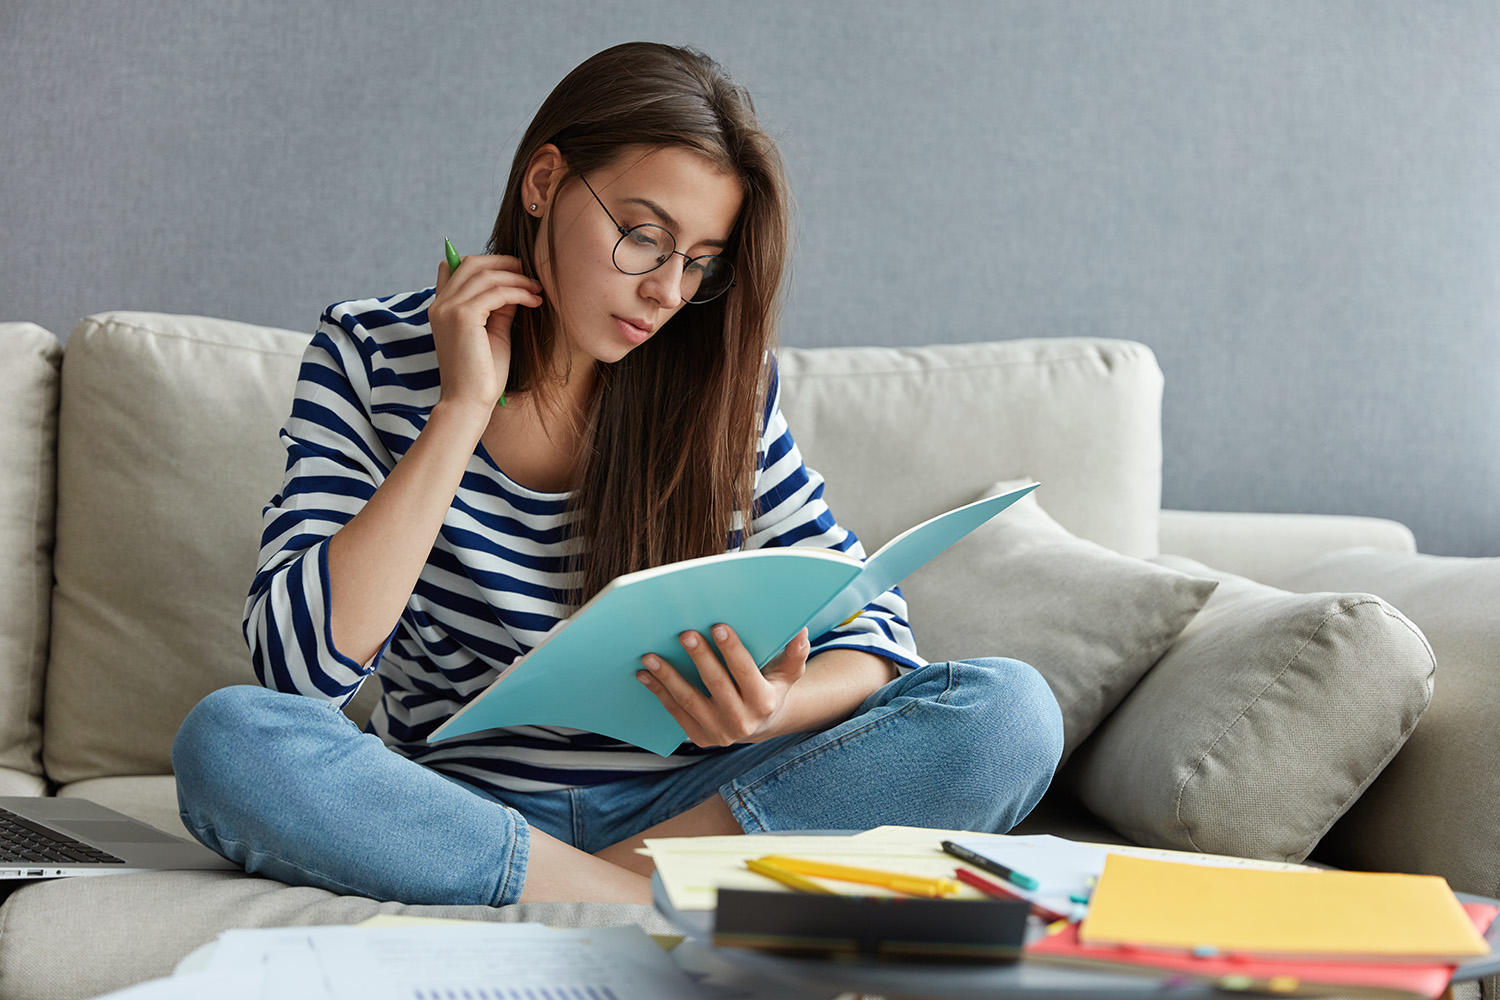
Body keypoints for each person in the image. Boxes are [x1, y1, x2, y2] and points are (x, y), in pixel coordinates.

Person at [172, 41, 1063, 907]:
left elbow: (875, 637)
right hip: (466, 810)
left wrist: (768, 712)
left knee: (1009, 714)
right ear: (545, 182)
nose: (666, 292)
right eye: (642, 236)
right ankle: (636, 900)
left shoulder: (721, 381)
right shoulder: (368, 352)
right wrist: (459, 411)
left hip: (694, 804)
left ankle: (596, 886)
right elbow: (297, 677)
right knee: (230, 740)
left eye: (701, 264)